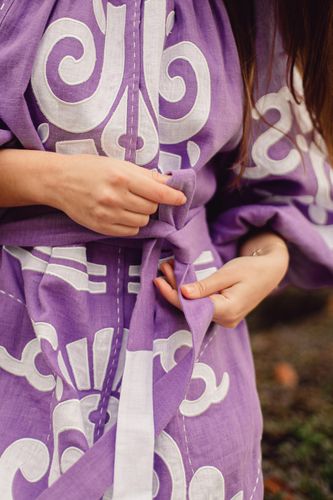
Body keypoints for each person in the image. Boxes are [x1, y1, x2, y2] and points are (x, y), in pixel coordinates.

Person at [0, 0, 332, 498]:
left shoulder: (249, 12)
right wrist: (45, 180)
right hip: (21, 341)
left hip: (193, 362)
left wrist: (266, 263)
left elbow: (280, 192)